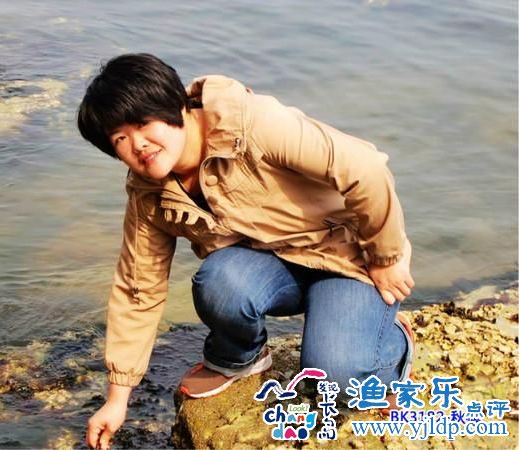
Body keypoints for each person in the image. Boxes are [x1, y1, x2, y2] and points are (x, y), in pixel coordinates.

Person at [77, 53, 414, 449]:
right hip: (274, 268)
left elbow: (366, 168)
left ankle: (390, 342)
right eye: (120, 139)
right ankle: (241, 356)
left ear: (174, 105)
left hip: (346, 259)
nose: (138, 144)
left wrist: (386, 256)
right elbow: (139, 288)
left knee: (333, 380)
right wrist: (117, 399)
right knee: (218, 281)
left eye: (142, 123)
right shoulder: (149, 193)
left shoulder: (251, 123)